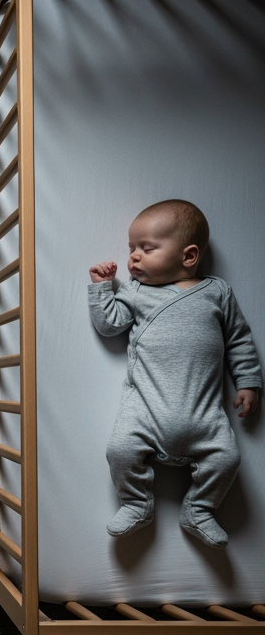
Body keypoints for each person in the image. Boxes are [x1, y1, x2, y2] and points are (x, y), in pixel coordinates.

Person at [88, 199, 261, 548]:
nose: (134, 256)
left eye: (146, 248)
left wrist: (248, 382)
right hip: (145, 409)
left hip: (205, 414)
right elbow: (109, 325)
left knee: (228, 458)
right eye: (131, 248)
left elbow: (240, 339)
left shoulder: (217, 292)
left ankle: (199, 508)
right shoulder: (136, 292)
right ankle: (136, 502)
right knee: (119, 450)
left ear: (189, 256)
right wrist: (100, 288)